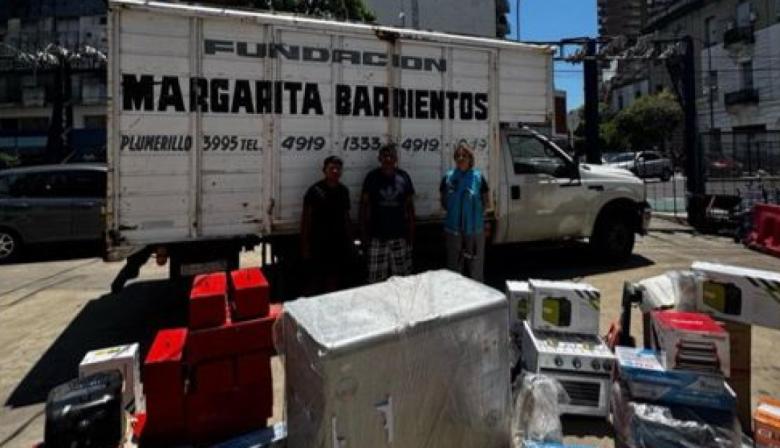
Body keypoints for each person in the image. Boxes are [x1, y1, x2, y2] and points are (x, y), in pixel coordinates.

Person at [360, 144, 416, 283]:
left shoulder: (404, 177)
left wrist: (411, 232)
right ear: (379, 158)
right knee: (375, 280)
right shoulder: (371, 177)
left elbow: (409, 207)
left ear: (396, 158)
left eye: (391, 155)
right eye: (385, 155)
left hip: (399, 236)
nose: (388, 158)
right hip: (377, 236)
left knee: (403, 279)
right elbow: (364, 206)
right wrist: (363, 234)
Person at [301, 155, 353, 294]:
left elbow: (346, 217)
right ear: (324, 170)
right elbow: (306, 218)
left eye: (338, 168)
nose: (335, 171)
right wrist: (305, 245)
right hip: (318, 242)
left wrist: (350, 241)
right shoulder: (314, 190)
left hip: (337, 242)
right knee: (315, 279)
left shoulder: (343, 191)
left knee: (333, 279)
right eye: (331, 168)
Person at [440, 144, 490, 282]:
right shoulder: (448, 177)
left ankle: (478, 297)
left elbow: (486, 202)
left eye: (464, 155)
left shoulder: (478, 177)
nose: (461, 158)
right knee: (454, 268)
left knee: (475, 268)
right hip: (453, 229)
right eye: (458, 156)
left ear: (470, 158)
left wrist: (475, 217)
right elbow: (444, 202)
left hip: (474, 230)